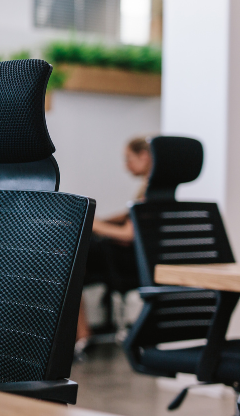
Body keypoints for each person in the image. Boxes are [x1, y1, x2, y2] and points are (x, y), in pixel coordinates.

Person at [76, 137, 152, 349]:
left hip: (131, 262)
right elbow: (130, 216)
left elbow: (129, 234)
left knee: (69, 260)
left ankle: (82, 336)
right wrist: (101, 220)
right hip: (137, 259)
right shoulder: (157, 188)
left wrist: (92, 223)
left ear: (144, 157)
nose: (126, 165)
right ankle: (82, 335)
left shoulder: (150, 191)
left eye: (128, 159)